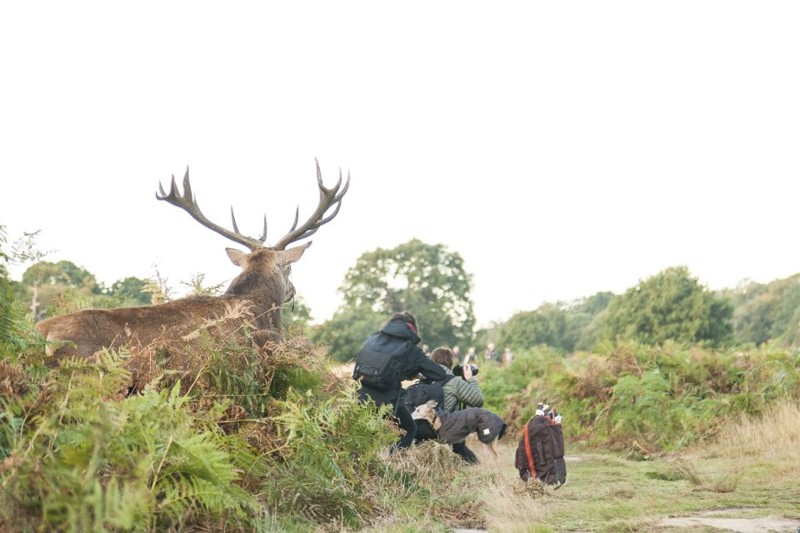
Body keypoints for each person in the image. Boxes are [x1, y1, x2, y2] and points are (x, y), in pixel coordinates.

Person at [354, 312, 447, 451]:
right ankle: (388, 463)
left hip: (359, 395)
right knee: (409, 429)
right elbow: (440, 374)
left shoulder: (373, 339)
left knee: (364, 434)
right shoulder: (410, 348)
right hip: (387, 400)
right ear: (412, 329)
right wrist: (418, 376)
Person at [427, 346, 485, 463]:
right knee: (471, 461)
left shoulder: (425, 379)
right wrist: (470, 379)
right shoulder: (454, 382)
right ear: (450, 364)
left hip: (425, 427)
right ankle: (472, 463)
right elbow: (478, 400)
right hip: (446, 429)